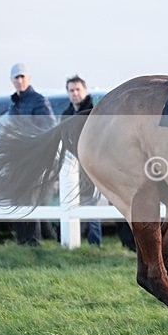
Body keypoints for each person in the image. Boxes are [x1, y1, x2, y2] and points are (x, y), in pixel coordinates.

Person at [8, 63, 57, 245]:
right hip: (17, 159)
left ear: (28, 78)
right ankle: (24, 241)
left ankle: (33, 242)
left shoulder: (38, 100)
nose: (20, 81)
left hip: (33, 159)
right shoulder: (14, 102)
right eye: (16, 77)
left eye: (22, 77)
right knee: (18, 199)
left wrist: (22, 132)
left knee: (29, 199)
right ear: (12, 80)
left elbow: (50, 127)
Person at [61, 75, 101, 247]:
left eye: (78, 89)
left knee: (93, 204)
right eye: (71, 90)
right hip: (73, 166)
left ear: (85, 90)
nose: (75, 93)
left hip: (96, 165)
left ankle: (95, 244)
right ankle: (74, 243)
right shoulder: (66, 115)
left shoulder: (95, 111)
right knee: (74, 203)